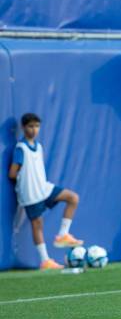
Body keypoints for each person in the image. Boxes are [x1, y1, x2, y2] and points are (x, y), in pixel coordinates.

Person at [8, 113, 83, 270]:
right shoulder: (20, 148)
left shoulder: (39, 146)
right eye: (30, 126)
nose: (34, 129)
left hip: (44, 188)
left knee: (73, 198)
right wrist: (25, 179)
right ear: (23, 127)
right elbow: (12, 173)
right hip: (30, 193)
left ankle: (63, 235)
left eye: (37, 126)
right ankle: (45, 261)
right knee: (38, 225)